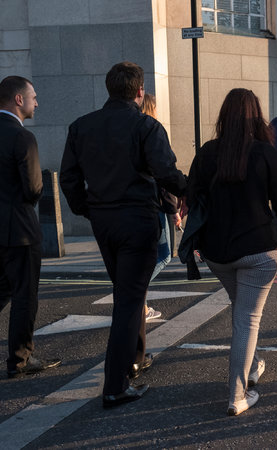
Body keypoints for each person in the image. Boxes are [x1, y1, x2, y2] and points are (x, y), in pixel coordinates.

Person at [60, 62, 187, 408]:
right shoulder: (146, 126)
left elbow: (68, 178)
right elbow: (167, 173)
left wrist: (87, 209)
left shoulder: (81, 126)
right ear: (139, 91)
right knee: (129, 301)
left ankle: (136, 357)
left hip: (103, 220)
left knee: (128, 291)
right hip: (137, 219)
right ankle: (115, 385)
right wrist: (193, 191)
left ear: (109, 88)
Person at [185, 88, 277, 416]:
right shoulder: (265, 153)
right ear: (255, 115)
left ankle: (252, 365)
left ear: (224, 116)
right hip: (259, 251)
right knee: (247, 318)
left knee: (243, 311)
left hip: (217, 254)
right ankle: (237, 395)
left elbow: (193, 196)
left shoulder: (207, 154)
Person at [0, 76, 62, 378]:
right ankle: (20, 359)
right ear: (18, 100)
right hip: (20, 232)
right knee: (25, 296)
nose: (37, 102)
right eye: (33, 97)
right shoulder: (22, 137)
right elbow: (34, 188)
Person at [139, 93, 182, 321]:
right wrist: (174, 210)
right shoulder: (153, 130)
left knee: (144, 257)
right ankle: (136, 297)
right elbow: (164, 176)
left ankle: (140, 304)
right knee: (163, 256)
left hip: (133, 207)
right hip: (154, 205)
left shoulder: (130, 131)